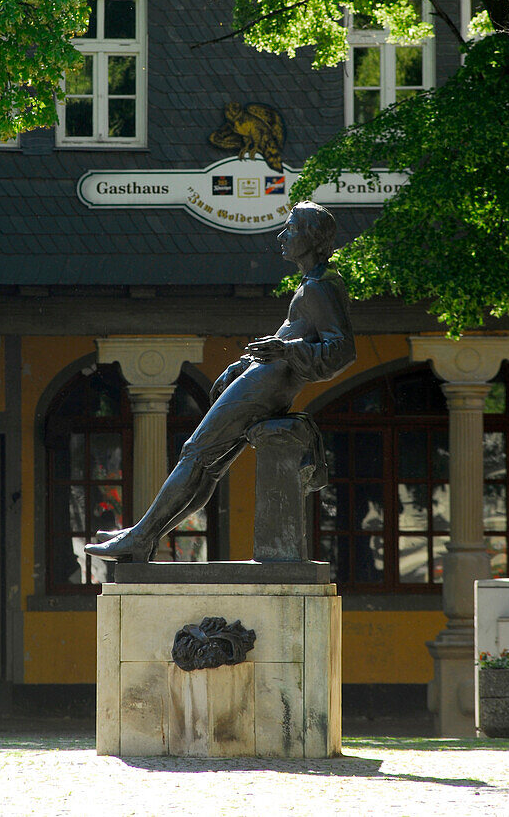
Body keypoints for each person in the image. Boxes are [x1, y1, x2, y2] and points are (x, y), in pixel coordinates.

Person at [85, 200, 356, 563]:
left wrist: (286, 351)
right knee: (209, 464)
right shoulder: (312, 282)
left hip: (267, 387)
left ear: (309, 236)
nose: (281, 236)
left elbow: (341, 349)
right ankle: (144, 536)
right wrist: (243, 363)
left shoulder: (321, 286)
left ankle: (141, 536)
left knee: (195, 453)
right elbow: (295, 336)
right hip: (265, 381)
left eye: (290, 228)